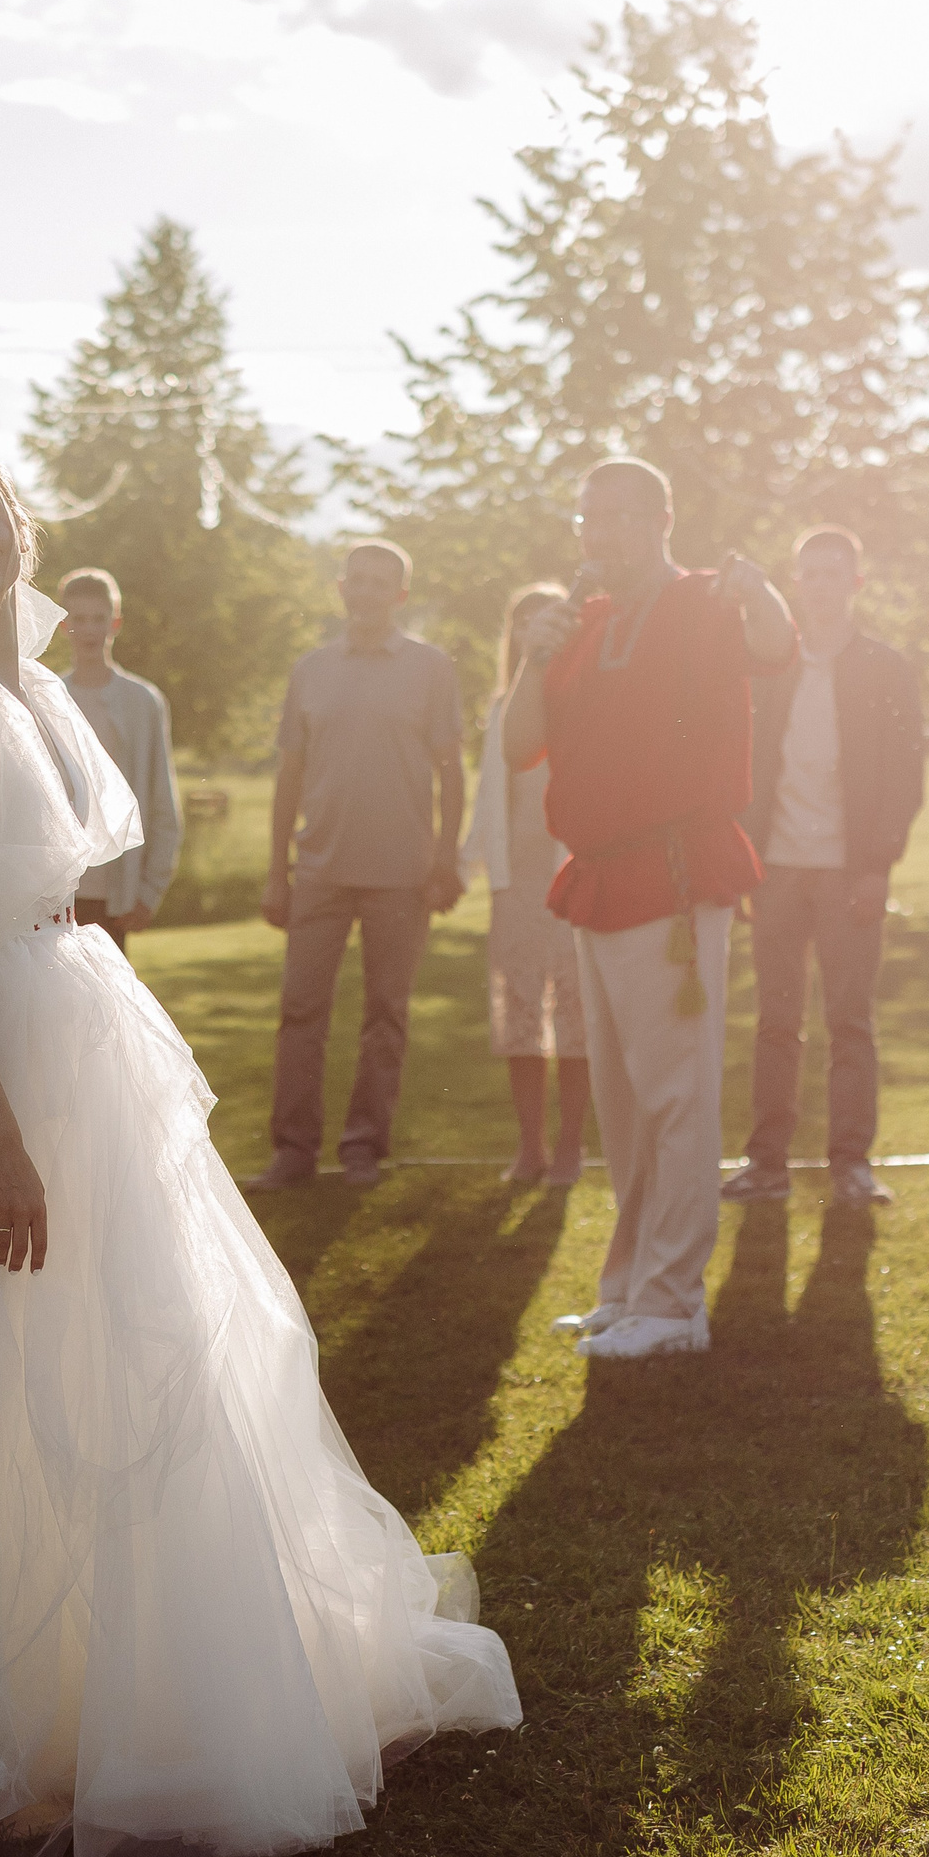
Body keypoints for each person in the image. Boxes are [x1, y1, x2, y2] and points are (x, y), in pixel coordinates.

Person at [0, 439, 519, 1857]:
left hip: (74, 1027)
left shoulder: (26, 681)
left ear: (21, 526)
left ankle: (132, 1696)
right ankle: (12, 1710)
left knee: (127, 1362)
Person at [504, 460, 797, 1359]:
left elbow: (778, 649)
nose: (602, 535)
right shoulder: (583, 622)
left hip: (671, 882)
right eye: (591, 518)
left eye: (621, 516)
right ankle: (630, 1288)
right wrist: (533, 659)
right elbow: (518, 748)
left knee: (677, 1098)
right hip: (596, 878)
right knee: (625, 1106)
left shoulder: (707, 597)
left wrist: (767, 593)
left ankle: (674, 1305)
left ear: (664, 518)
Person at [249, 540, 464, 1191]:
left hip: (402, 874)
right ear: (341, 588)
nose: (368, 592)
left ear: (400, 596)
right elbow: (289, 776)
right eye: (358, 581)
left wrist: (446, 856)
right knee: (300, 1013)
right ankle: (294, 1153)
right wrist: (276, 870)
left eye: (382, 583)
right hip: (319, 870)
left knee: (385, 1016)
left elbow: (452, 773)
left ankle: (364, 1148)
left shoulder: (431, 669)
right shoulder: (310, 670)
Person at [725, 527, 925, 1207]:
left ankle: (850, 1165)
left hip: (849, 872)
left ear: (856, 583)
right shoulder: (770, 662)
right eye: (811, 573)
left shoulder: (884, 667)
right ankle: (767, 1165)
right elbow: (745, 764)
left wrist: (877, 867)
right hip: (775, 869)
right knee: (776, 1022)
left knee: (850, 1019)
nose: (823, 585)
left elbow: (904, 776)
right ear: (797, 580)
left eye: (836, 573)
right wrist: (747, 861)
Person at [461, 583, 590, 1186]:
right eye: (521, 622)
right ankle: (530, 1146)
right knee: (519, 1012)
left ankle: (570, 1147)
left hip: (574, 872)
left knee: (575, 1010)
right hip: (516, 883)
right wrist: (465, 868)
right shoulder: (500, 710)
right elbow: (491, 801)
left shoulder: (582, 696)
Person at [58, 567, 181, 947]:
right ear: (64, 625)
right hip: (61, 892)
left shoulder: (143, 702)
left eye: (99, 618)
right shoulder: (48, 697)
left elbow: (162, 799)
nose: (90, 629)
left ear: (116, 623)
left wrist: (149, 891)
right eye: (79, 619)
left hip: (118, 892)